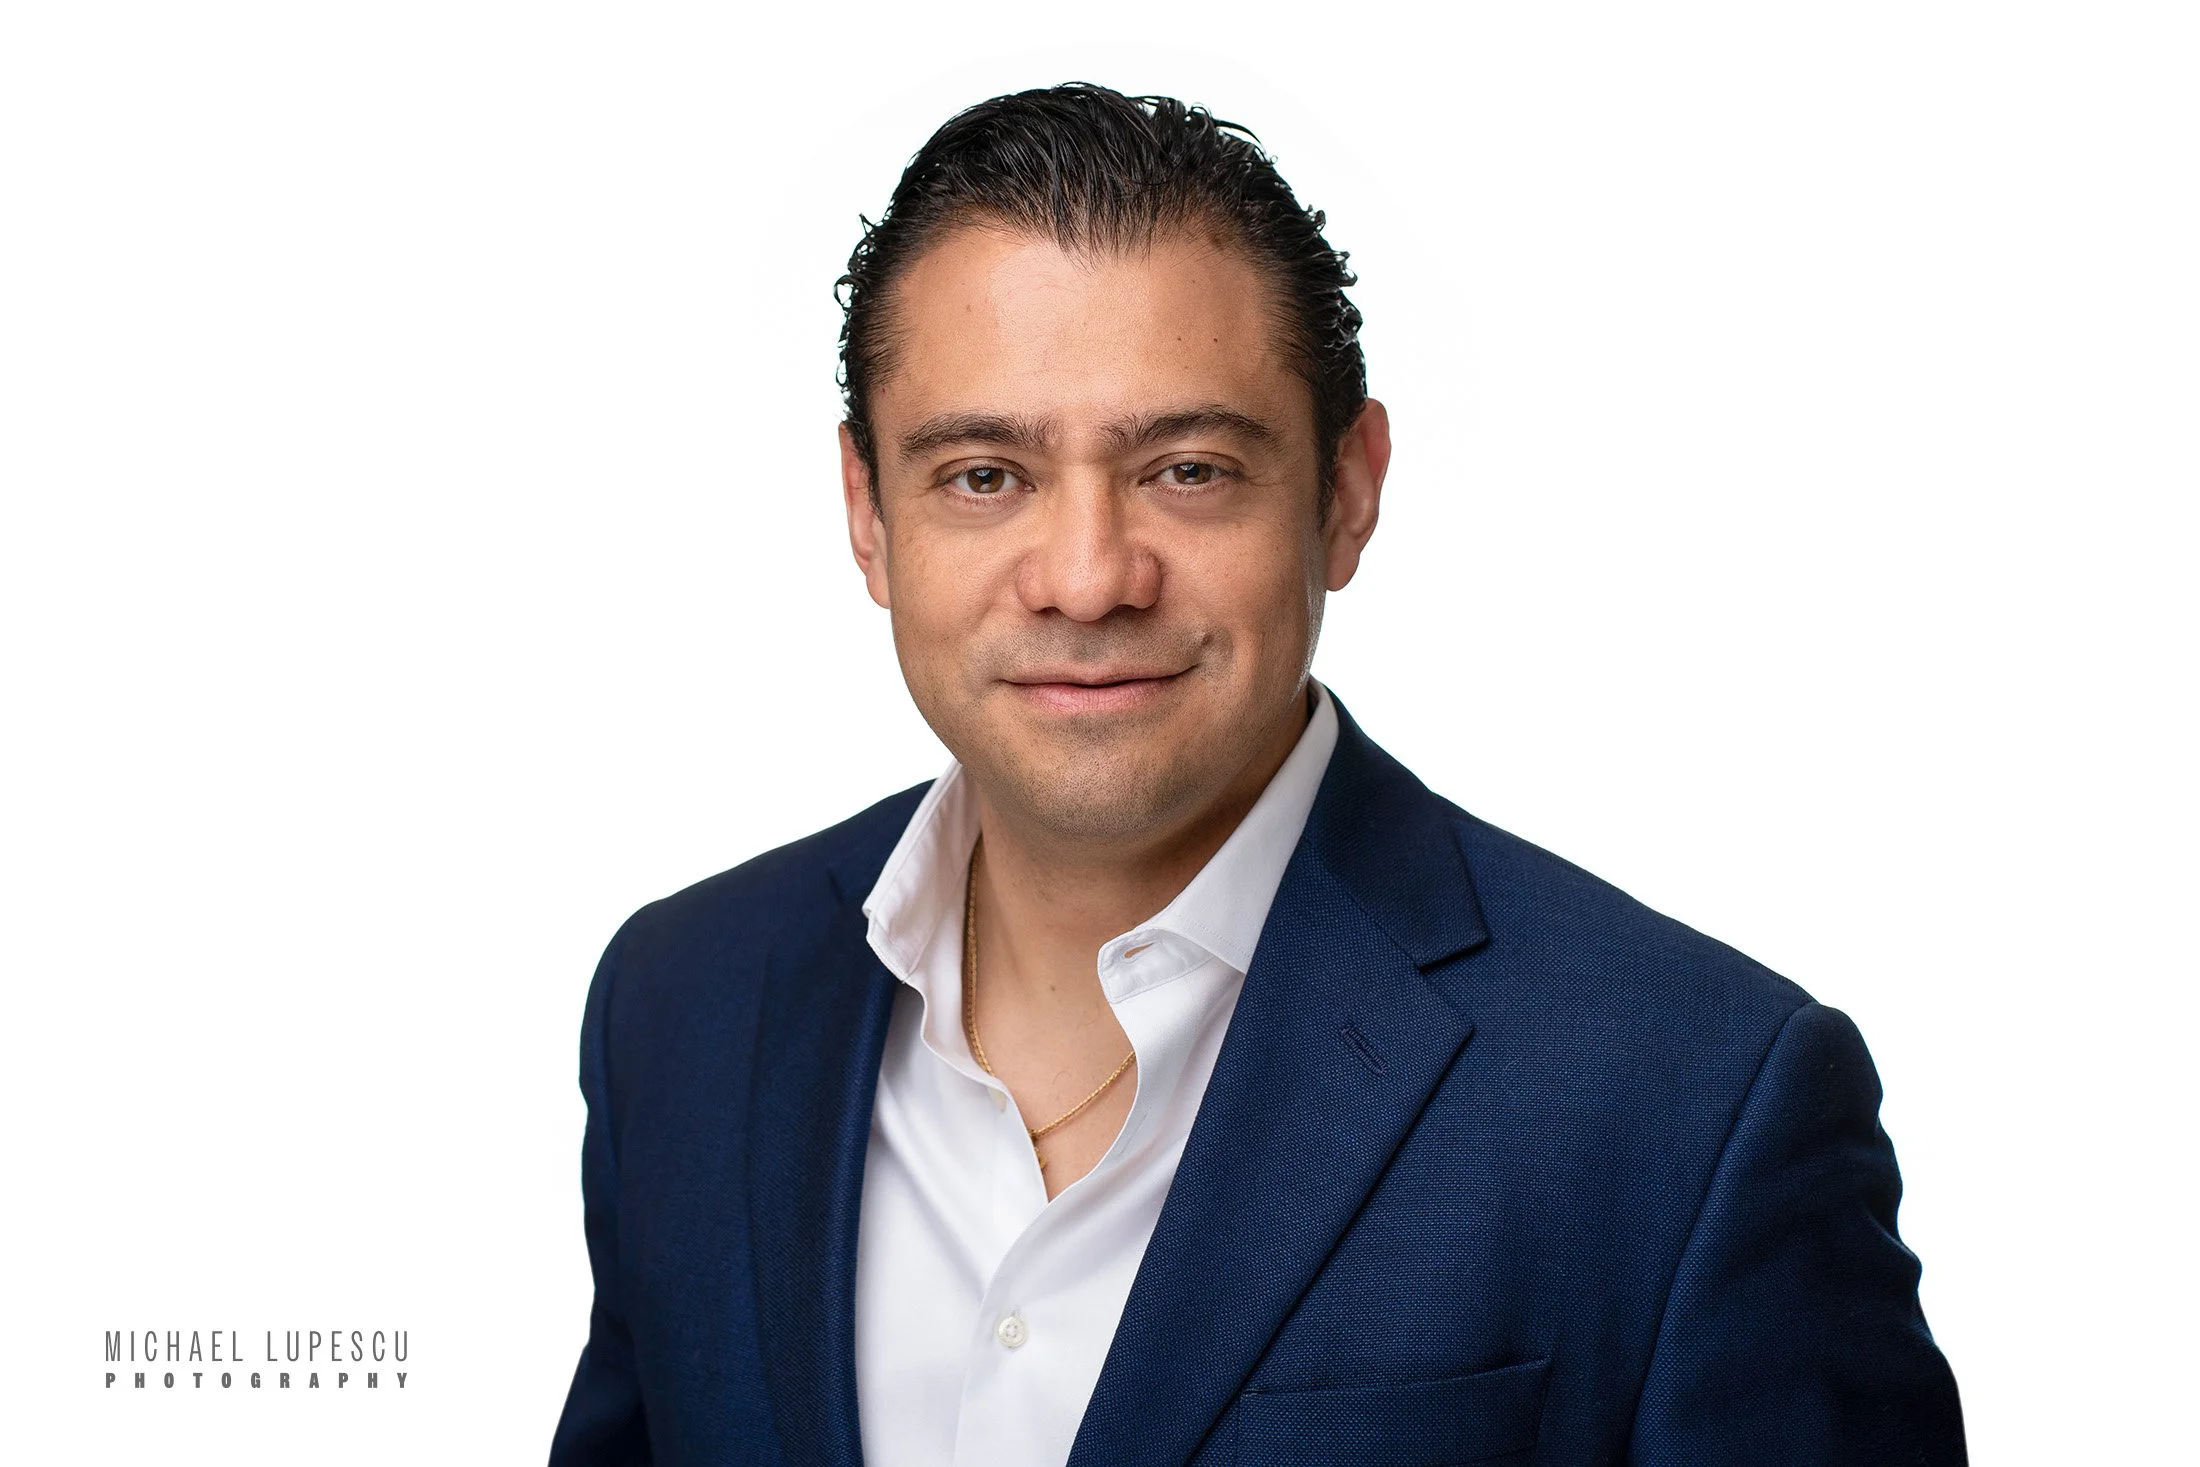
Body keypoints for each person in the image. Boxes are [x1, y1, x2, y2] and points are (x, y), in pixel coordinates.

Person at [548, 83, 1965, 1467]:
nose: (1088, 577)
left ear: (1347, 491)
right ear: (868, 513)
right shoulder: (679, 1010)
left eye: (1189, 470)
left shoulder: (1691, 1103)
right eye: (984, 474)